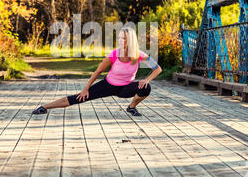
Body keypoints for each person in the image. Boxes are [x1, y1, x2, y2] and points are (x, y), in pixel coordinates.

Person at [32, 27, 162, 117]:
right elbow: (98, 71)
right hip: (108, 85)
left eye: (124, 38)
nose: (120, 41)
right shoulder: (114, 55)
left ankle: (131, 107)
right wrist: (85, 89)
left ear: (130, 41)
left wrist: (147, 79)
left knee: (146, 87)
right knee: (78, 98)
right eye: (120, 38)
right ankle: (44, 107)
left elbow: (158, 69)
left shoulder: (138, 54)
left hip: (126, 88)